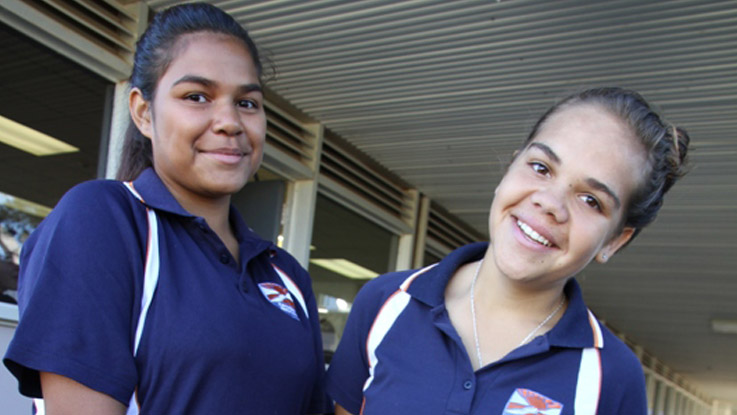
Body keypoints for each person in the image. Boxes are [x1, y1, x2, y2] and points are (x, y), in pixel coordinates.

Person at [3, 3, 331, 414]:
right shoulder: (105, 221)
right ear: (143, 111)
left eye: (247, 103)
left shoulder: (287, 276)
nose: (230, 121)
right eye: (197, 97)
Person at [326, 87, 690, 415]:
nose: (550, 203)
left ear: (615, 240)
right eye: (540, 167)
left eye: (590, 200)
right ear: (510, 169)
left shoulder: (610, 376)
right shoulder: (386, 302)